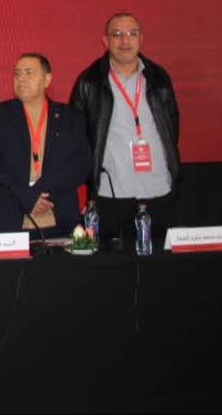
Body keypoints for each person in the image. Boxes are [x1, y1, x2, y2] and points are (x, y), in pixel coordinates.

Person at [69, 13, 180, 243]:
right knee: (115, 263)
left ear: (141, 39)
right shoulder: (89, 81)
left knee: (162, 261)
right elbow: (76, 136)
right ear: (105, 40)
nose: (125, 40)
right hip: (111, 193)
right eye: (117, 34)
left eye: (132, 33)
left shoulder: (159, 78)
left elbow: (172, 127)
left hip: (159, 189)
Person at [0, 53, 93, 236]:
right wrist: (26, 195)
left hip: (59, 216)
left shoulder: (70, 117)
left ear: (47, 79)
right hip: (10, 218)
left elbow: (81, 163)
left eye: (29, 72)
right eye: (17, 73)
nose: (21, 79)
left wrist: (40, 190)